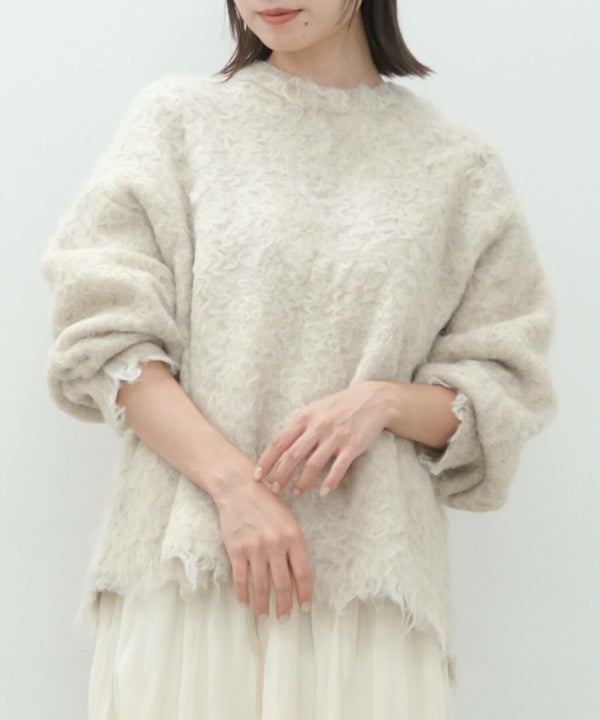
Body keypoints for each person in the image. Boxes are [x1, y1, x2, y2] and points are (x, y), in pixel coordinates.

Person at [40, 1, 558, 718]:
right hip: (190, 575)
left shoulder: (457, 168)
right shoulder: (179, 122)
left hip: (370, 598)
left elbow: (505, 380)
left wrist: (381, 401)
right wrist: (235, 490)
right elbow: (104, 335)